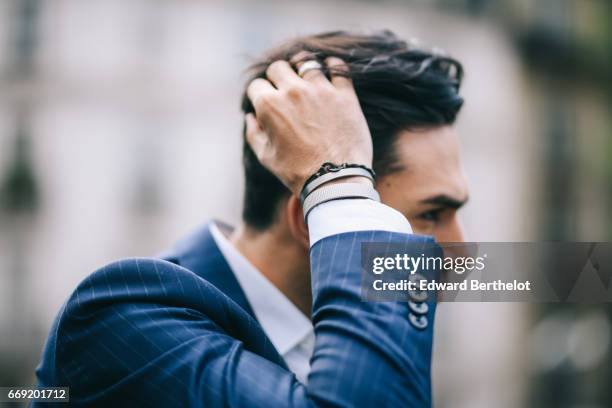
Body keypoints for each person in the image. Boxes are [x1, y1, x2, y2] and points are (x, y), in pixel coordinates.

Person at [34, 30, 469, 407]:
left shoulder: (355, 341)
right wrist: (339, 181)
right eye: (430, 215)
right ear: (312, 219)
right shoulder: (121, 323)